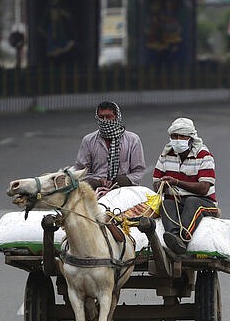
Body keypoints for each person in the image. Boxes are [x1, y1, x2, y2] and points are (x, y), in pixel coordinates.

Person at [153, 117, 218, 255]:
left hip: (203, 202)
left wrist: (177, 182)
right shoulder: (166, 154)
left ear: (190, 138)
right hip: (176, 201)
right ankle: (174, 239)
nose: (177, 140)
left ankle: (183, 238)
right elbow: (156, 184)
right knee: (166, 204)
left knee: (192, 201)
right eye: (174, 136)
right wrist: (162, 183)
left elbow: (204, 188)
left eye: (181, 136)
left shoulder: (204, 155)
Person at [74, 101, 146, 196]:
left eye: (108, 117)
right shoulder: (88, 140)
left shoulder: (132, 140)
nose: (104, 120)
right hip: (95, 192)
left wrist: (121, 181)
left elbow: (139, 171)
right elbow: (80, 171)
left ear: (117, 117)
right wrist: (97, 181)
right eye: (101, 117)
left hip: (125, 191)